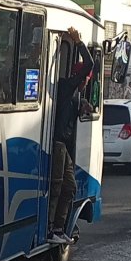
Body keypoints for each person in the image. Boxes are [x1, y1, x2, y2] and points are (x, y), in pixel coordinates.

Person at [48, 27, 94, 245]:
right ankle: (50, 229)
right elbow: (90, 64)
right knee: (57, 185)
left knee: (70, 187)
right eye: (85, 78)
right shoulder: (67, 86)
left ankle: (58, 227)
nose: (86, 82)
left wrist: (83, 106)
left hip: (64, 145)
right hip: (57, 142)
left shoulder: (74, 95)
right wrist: (78, 42)